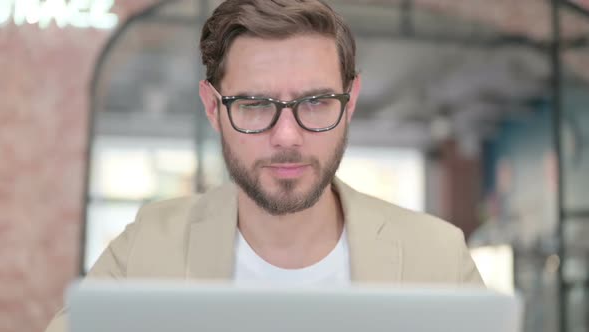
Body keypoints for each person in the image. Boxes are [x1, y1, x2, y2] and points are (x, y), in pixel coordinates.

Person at [45, 0, 484, 331]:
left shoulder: (439, 257)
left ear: (350, 104)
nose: (288, 136)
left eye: (315, 102)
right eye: (255, 105)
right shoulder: (146, 250)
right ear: (213, 108)